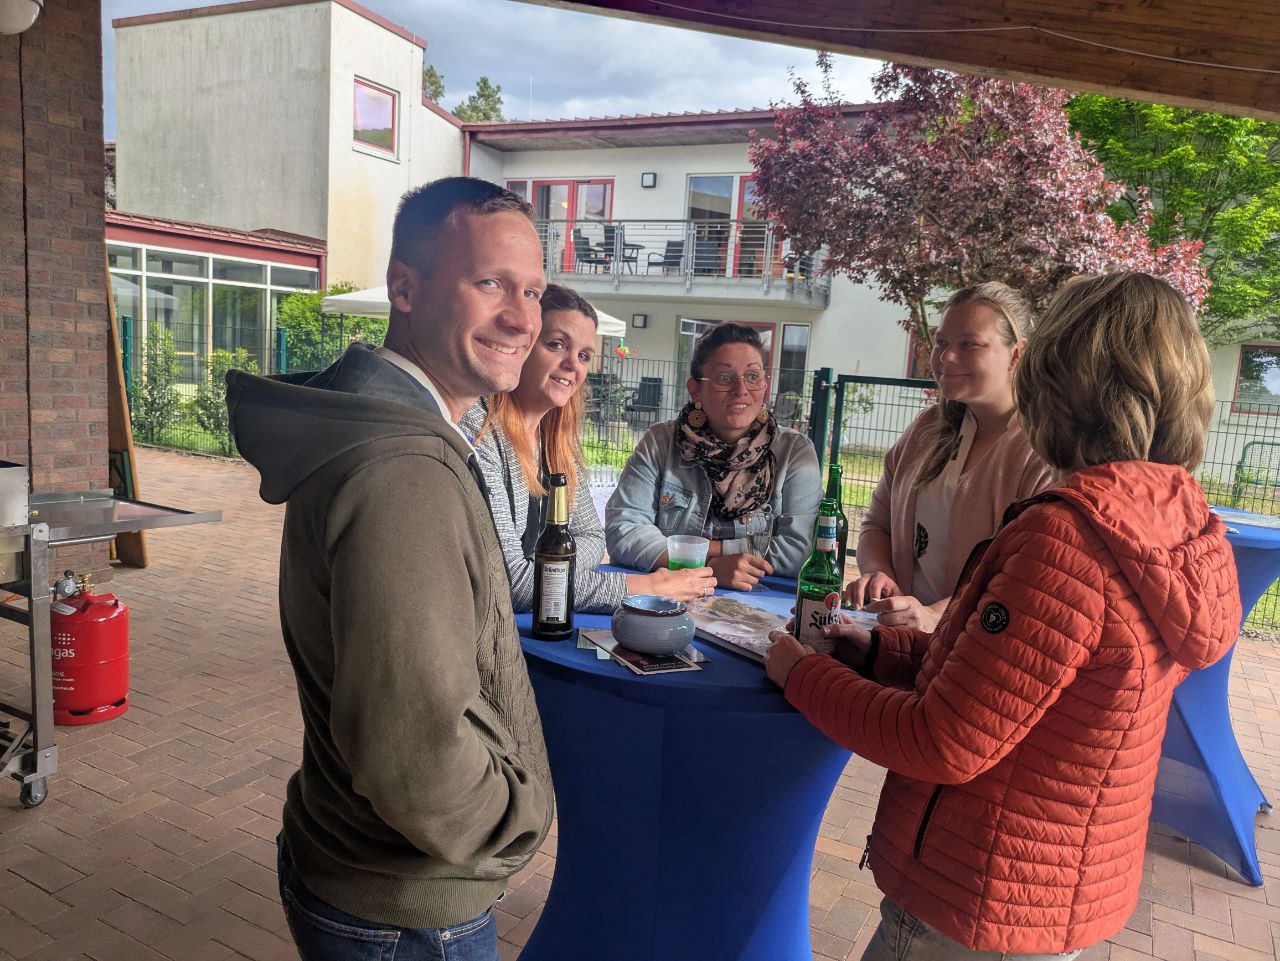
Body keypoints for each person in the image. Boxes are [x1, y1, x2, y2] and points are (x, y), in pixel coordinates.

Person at [765, 271, 1242, 960]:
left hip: (978, 896)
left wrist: (802, 674)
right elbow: (1016, 686)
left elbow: (943, 741)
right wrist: (879, 655)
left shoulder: (1067, 537)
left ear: (1055, 374)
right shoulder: (1174, 518)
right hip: (1051, 892)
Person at [226, 177, 553, 961]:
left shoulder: (376, 425)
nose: (523, 318)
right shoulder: (403, 468)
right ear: (403, 288)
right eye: (490, 283)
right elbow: (414, 752)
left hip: (350, 862)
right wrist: (511, 828)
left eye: (534, 290)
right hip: (407, 903)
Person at [461, 283, 716, 609]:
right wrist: (646, 586)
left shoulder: (557, 442)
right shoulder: (479, 431)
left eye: (583, 355)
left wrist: (545, 576)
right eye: (556, 345)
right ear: (522, 347)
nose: (573, 364)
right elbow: (513, 583)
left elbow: (593, 539)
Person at [847, 282, 1055, 632]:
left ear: (1017, 353)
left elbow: (1021, 579)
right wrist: (878, 571)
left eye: (968, 344)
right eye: (942, 342)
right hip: (898, 641)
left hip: (974, 651)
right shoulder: (926, 429)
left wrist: (933, 616)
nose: (946, 357)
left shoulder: (1042, 451)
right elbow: (877, 524)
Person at [606, 322, 822, 591]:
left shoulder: (795, 452)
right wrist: (710, 568)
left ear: (765, 385)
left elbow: (799, 550)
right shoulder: (660, 442)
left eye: (753, 376)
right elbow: (624, 531)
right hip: (671, 597)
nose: (741, 390)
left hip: (760, 604)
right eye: (724, 378)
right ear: (695, 389)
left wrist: (698, 556)